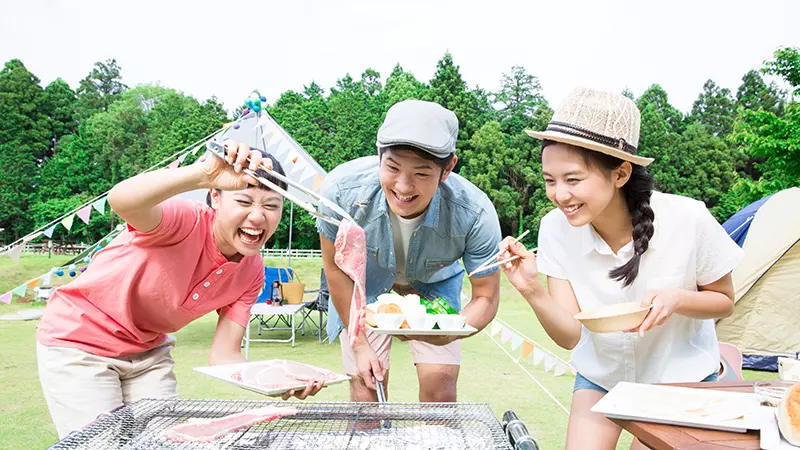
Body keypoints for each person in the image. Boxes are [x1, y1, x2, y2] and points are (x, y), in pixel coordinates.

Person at [497, 87, 743, 450]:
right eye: (550, 180)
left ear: (621, 173)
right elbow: (569, 336)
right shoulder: (554, 228)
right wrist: (531, 289)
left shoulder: (688, 218)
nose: (559, 195)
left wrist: (676, 299)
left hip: (678, 378)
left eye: (573, 179)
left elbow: (724, 301)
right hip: (601, 374)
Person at [36, 140, 323, 439]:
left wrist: (279, 378)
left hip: (148, 353)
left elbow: (225, 354)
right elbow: (122, 200)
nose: (257, 216)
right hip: (80, 342)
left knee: (164, 443)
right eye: (244, 201)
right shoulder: (183, 219)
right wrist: (204, 173)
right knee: (102, 444)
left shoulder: (253, 272)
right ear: (215, 196)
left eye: (271, 206)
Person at [317, 100, 502, 402]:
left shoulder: (475, 211)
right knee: (366, 390)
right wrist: (360, 344)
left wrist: (451, 331)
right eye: (392, 168)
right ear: (379, 156)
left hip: (434, 290)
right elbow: (335, 270)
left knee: (440, 387)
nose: (403, 186)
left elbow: (486, 296)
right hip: (365, 292)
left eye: (421, 173)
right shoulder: (340, 192)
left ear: (448, 168)